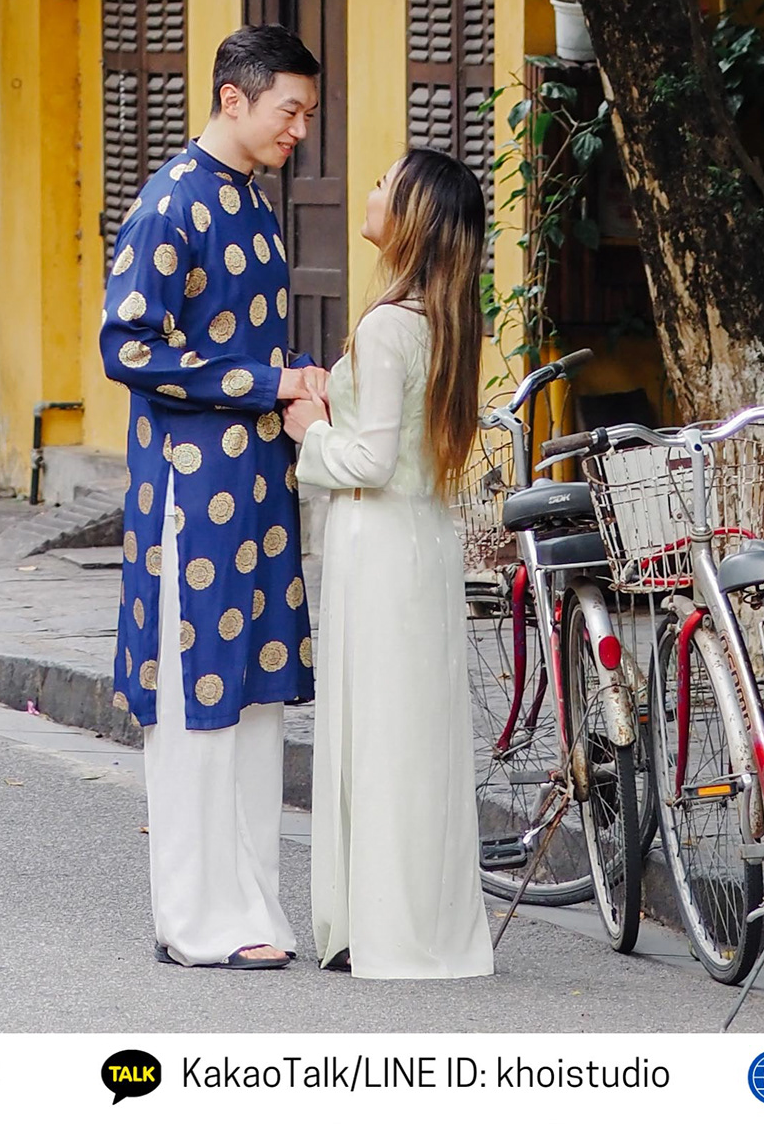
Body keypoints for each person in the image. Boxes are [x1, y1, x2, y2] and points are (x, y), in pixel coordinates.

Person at [101, 23, 330, 970]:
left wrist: (295, 380)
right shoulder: (171, 203)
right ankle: (195, 920)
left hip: (257, 490)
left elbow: (235, 340)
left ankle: (252, 909)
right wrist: (269, 382)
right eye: (290, 110)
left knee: (253, 699)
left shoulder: (249, 200)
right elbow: (127, 346)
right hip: (191, 497)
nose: (300, 130)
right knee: (199, 699)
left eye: (307, 113)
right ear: (233, 98)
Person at [286, 147, 493, 979]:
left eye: (384, 183)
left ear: (412, 216)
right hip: (426, 541)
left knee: (376, 735)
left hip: (376, 544)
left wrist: (310, 430)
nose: (371, 190)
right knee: (418, 739)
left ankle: (376, 928)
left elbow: (370, 461)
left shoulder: (384, 325)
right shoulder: (445, 322)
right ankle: (418, 925)